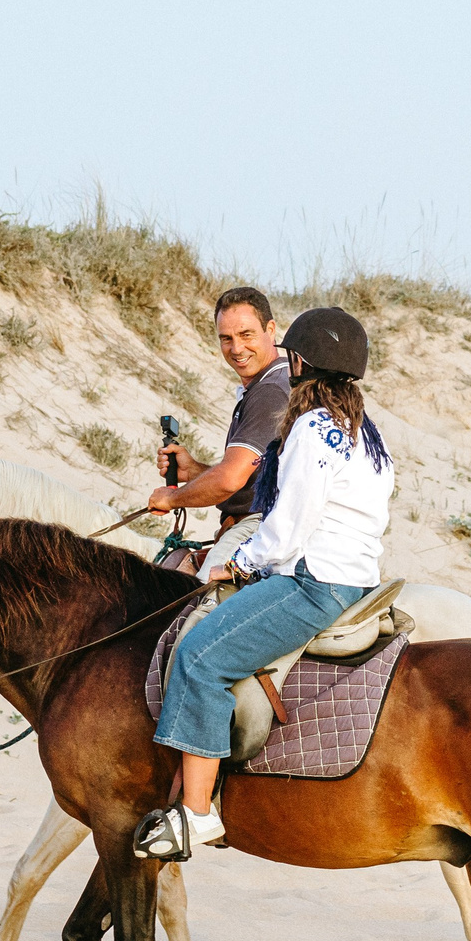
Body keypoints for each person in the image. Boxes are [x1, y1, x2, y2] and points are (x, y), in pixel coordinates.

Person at [135, 307, 394, 858]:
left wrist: (244, 563)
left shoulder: (312, 427)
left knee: (200, 656)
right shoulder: (364, 431)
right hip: (356, 581)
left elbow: (290, 526)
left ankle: (195, 814)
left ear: (298, 361)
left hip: (312, 584)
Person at [145, 286, 292, 576]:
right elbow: (250, 477)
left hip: (259, 524)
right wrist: (195, 471)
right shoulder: (273, 381)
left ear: (270, 329)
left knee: (196, 611)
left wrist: (172, 498)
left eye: (246, 334)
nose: (236, 348)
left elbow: (229, 480)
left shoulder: (270, 391)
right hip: (256, 521)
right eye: (226, 338)